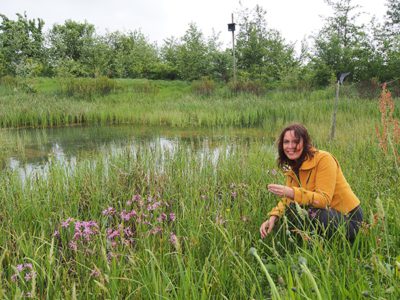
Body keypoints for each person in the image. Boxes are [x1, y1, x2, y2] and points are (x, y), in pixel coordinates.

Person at [260, 123, 363, 242]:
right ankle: (313, 245)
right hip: (326, 215)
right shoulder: (293, 165)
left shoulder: (324, 159)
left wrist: (291, 192)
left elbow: (323, 200)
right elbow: (287, 199)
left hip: (349, 219)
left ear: (305, 143)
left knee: (305, 211)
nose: (290, 146)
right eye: (286, 142)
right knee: (293, 210)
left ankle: (329, 246)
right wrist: (274, 216)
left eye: (295, 141)